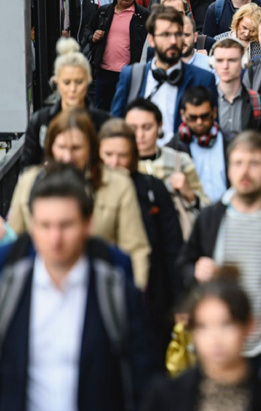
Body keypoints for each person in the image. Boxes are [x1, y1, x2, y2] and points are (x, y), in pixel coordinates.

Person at [0, 164, 156, 411]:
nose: (55, 238)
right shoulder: (9, 289)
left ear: (88, 224)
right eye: (44, 225)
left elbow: (144, 379)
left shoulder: (116, 293)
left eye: (66, 225)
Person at [180, 131, 261, 390]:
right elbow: (184, 265)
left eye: (254, 163)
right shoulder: (211, 217)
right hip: (220, 345)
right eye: (237, 163)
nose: (244, 171)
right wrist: (195, 272)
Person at [9, 108, 152, 289]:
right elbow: (15, 241)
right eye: (62, 147)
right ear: (51, 147)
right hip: (38, 287)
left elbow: (136, 248)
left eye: (76, 148)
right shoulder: (29, 181)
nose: (68, 157)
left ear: (91, 149)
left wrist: (131, 296)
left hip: (101, 289)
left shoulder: (117, 184)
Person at [98, 118, 184, 353]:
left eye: (122, 155)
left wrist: (180, 302)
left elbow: (172, 247)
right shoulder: (88, 189)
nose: (115, 163)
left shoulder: (152, 188)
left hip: (153, 295)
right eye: (108, 155)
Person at [141, 271, 261, 410]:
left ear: (249, 325)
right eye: (203, 326)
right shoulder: (166, 397)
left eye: (226, 324)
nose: (215, 337)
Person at [112, 7, 218, 146]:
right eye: (166, 35)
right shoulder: (131, 75)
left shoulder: (203, 78)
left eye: (178, 34)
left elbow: (211, 130)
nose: (173, 41)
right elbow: (116, 125)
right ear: (151, 40)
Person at [22, 38, 111, 169]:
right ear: (57, 82)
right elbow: (27, 170)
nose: (73, 89)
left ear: (88, 81)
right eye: (67, 82)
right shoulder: (40, 121)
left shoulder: (104, 123)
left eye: (79, 82)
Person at [126, 99, 210, 229]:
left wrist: (189, 194)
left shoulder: (179, 160)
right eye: (133, 128)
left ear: (160, 126)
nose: (140, 135)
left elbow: (207, 208)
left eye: (147, 127)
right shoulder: (117, 162)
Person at [86, 0, 149, 111]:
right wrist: (93, 36)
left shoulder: (143, 15)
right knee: (102, 112)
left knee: (127, 111)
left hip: (129, 73)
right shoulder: (104, 11)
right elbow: (87, 29)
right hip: (103, 73)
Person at [166, 86, 232, 203]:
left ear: (214, 112)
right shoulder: (173, 147)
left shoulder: (232, 142)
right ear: (183, 115)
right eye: (193, 117)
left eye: (204, 116)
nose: (199, 122)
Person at [211, 37, 261, 136]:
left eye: (232, 60)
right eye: (219, 60)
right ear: (212, 63)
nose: (225, 66)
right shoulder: (206, 99)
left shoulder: (257, 103)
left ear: (243, 62)